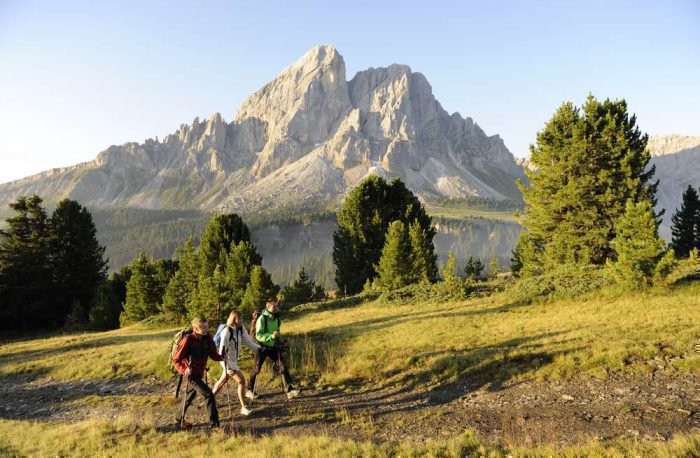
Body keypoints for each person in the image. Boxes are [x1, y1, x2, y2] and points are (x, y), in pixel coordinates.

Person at [172, 316, 223, 429]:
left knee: (190, 395)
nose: (206, 329)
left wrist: (223, 357)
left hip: (199, 373)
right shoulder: (188, 340)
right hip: (190, 375)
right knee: (209, 394)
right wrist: (184, 369)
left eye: (206, 327)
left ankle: (178, 420)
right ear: (195, 328)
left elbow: (213, 354)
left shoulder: (208, 338)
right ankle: (214, 426)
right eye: (203, 327)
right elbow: (176, 359)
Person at [247, 298, 300, 400]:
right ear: (268, 307)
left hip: (273, 346)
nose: (276, 308)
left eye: (277, 306)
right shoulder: (262, 318)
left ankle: (289, 391)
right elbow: (259, 336)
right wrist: (271, 336)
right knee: (256, 369)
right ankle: (249, 390)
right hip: (261, 347)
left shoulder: (276, 318)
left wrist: (280, 340)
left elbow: (277, 332)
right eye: (273, 306)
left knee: (283, 366)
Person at [212, 310, 261, 416]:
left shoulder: (240, 329)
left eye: (241, 318)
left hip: (233, 361)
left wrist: (259, 349)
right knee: (242, 381)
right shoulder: (226, 331)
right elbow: (221, 352)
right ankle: (243, 407)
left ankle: (210, 399)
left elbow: (247, 341)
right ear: (233, 319)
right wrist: (227, 366)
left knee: (222, 381)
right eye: (238, 318)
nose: (240, 320)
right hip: (226, 361)